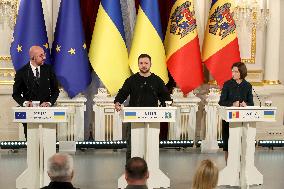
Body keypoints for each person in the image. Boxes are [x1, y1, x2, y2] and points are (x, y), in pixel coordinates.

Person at [114, 54, 171, 161]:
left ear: (150, 64)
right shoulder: (132, 80)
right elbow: (123, 92)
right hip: (133, 118)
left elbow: (165, 96)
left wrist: (167, 104)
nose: (143, 65)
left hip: (153, 118)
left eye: (146, 63)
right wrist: (118, 102)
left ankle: (150, 168)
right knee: (132, 146)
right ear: (138, 64)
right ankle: (130, 169)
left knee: (151, 146)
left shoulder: (157, 80)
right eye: (141, 63)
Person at [12, 46, 59, 139]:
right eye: (41, 56)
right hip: (30, 114)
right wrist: (25, 103)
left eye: (44, 55)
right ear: (33, 57)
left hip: (47, 114)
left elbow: (55, 91)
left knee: (48, 140)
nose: (44, 57)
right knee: (32, 141)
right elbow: (16, 94)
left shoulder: (48, 69)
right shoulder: (22, 72)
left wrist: (49, 103)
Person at [218, 62, 254, 163]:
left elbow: (251, 103)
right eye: (232, 71)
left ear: (241, 73)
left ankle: (240, 168)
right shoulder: (227, 84)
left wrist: (246, 104)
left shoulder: (248, 86)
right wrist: (232, 104)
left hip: (242, 121)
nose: (233, 73)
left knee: (241, 145)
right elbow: (221, 102)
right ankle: (228, 167)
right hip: (228, 120)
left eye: (236, 71)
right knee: (228, 145)